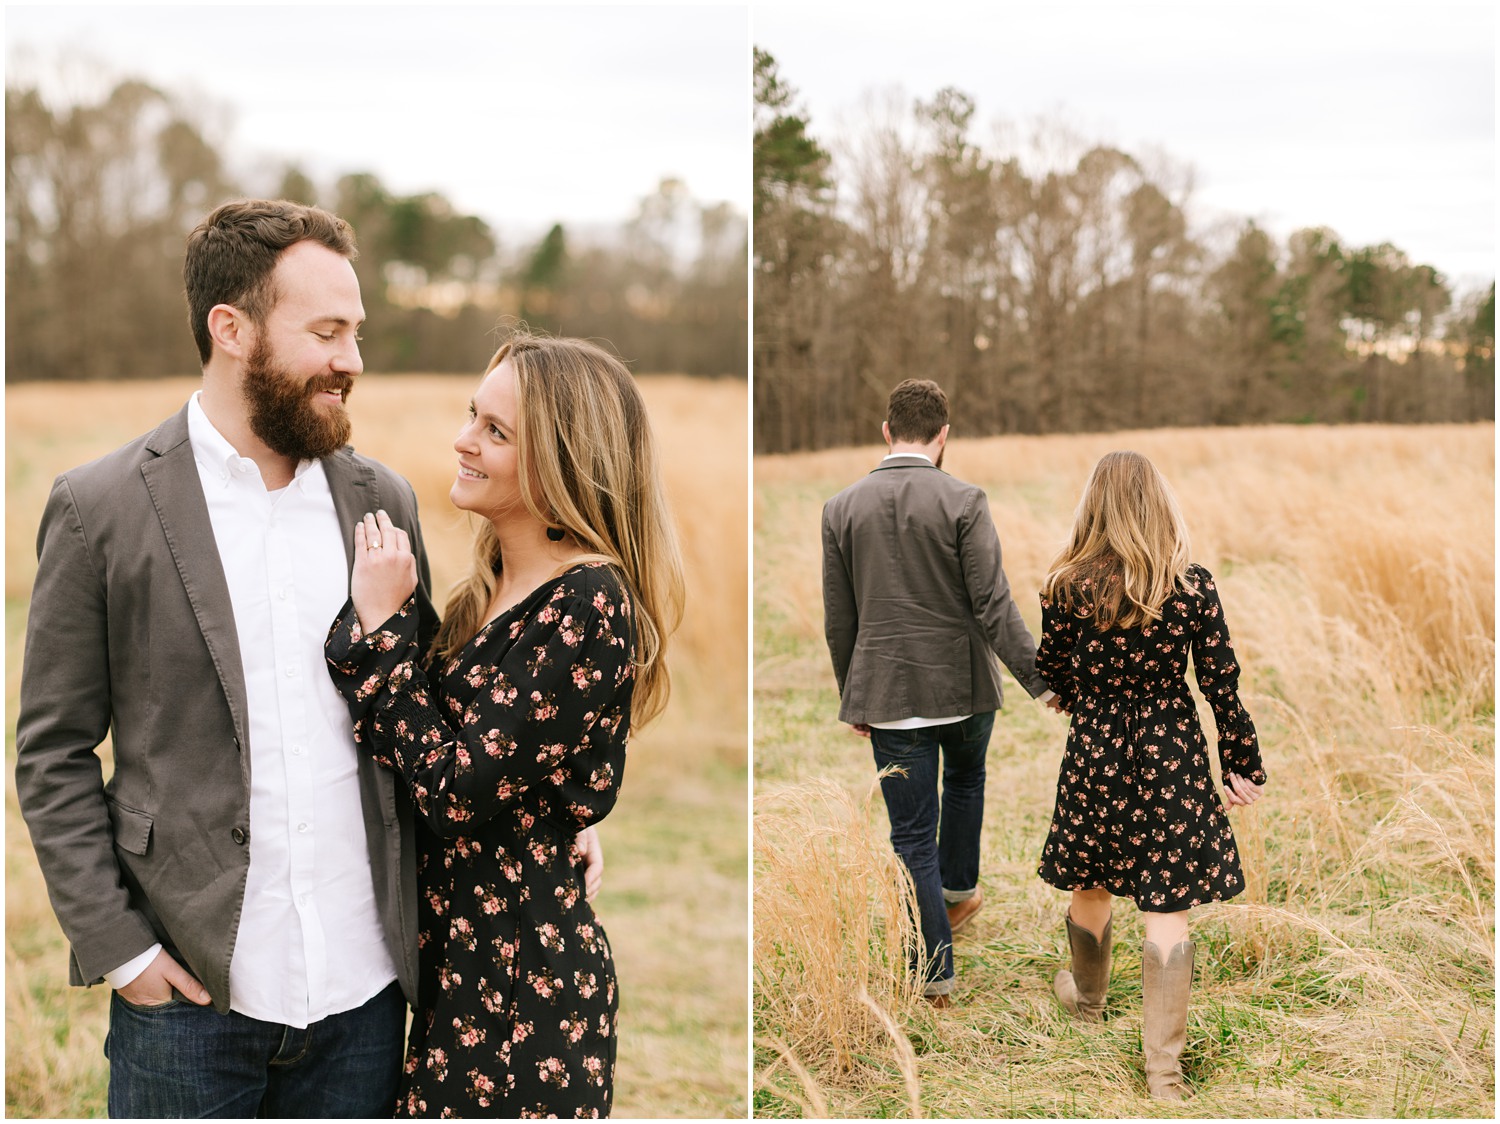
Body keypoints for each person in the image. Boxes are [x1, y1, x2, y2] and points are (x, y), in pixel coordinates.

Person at [11, 198, 602, 1117]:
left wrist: (547, 803)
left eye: (356, 332)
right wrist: (123, 955)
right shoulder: (101, 510)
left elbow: (430, 709)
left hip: (367, 1002)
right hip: (190, 1007)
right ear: (232, 329)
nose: (352, 362)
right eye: (327, 332)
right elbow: (52, 754)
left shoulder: (384, 500)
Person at [323, 332, 685, 1117]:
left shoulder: (587, 601)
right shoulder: (484, 589)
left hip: (524, 991)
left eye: (496, 431)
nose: (464, 440)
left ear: (560, 458)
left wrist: (384, 630)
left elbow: (453, 788)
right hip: (453, 971)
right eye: (471, 415)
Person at [1035, 450, 1267, 1101]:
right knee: (1168, 906)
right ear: (1158, 505)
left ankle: (1086, 1004)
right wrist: (1241, 763)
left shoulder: (1066, 587)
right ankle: (1163, 1075)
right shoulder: (1190, 584)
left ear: (1094, 508)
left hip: (1097, 747)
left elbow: (1052, 672)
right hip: (1172, 748)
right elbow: (1221, 682)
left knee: (1091, 877)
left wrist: (1079, 687)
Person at [821, 378, 1052, 1005]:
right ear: (944, 436)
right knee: (967, 782)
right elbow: (992, 602)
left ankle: (935, 972)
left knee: (911, 837)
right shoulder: (965, 499)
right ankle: (958, 894)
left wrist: (855, 694)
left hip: (890, 694)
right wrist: (1041, 681)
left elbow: (839, 619)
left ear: (887, 432)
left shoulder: (840, 507)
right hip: (966, 687)